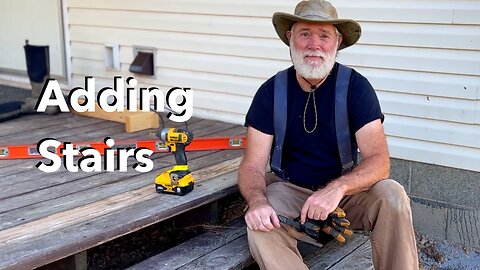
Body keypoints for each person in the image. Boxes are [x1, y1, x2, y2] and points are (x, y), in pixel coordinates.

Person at [237, 0, 419, 269]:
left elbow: (380, 161)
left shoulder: (356, 88)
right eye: (305, 34)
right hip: (290, 190)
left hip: (344, 196)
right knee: (261, 222)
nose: (314, 45)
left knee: (391, 194)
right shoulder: (271, 92)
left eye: (324, 35)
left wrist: (337, 188)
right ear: (290, 38)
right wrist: (257, 201)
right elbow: (252, 164)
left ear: (337, 41)